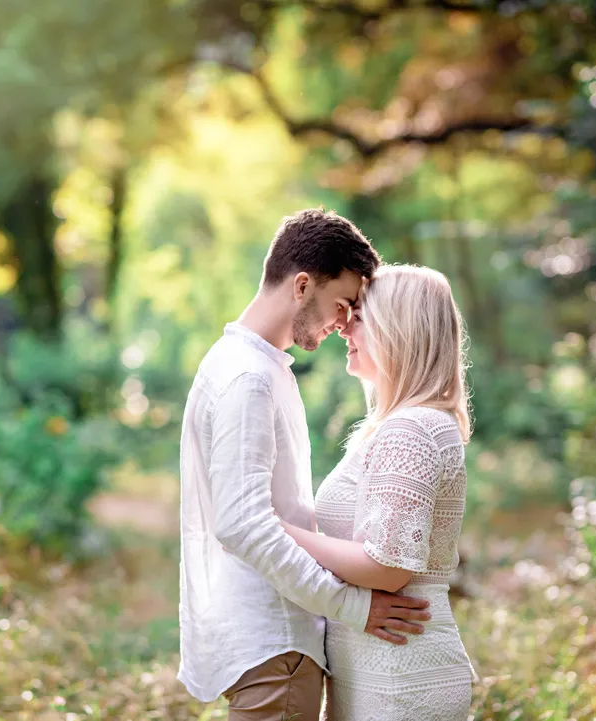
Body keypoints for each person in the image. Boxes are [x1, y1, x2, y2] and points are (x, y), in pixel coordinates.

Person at [177, 210, 433, 720]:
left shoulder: (242, 365)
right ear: (300, 286)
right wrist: (353, 607)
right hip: (276, 646)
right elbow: (243, 524)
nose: (345, 323)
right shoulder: (248, 378)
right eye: (342, 304)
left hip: (267, 643)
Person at [280, 264, 476, 720]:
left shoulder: (411, 429)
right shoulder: (405, 424)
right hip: (382, 669)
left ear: (398, 331)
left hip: (400, 680)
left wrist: (280, 530)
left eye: (361, 316)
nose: (344, 326)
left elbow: (386, 568)